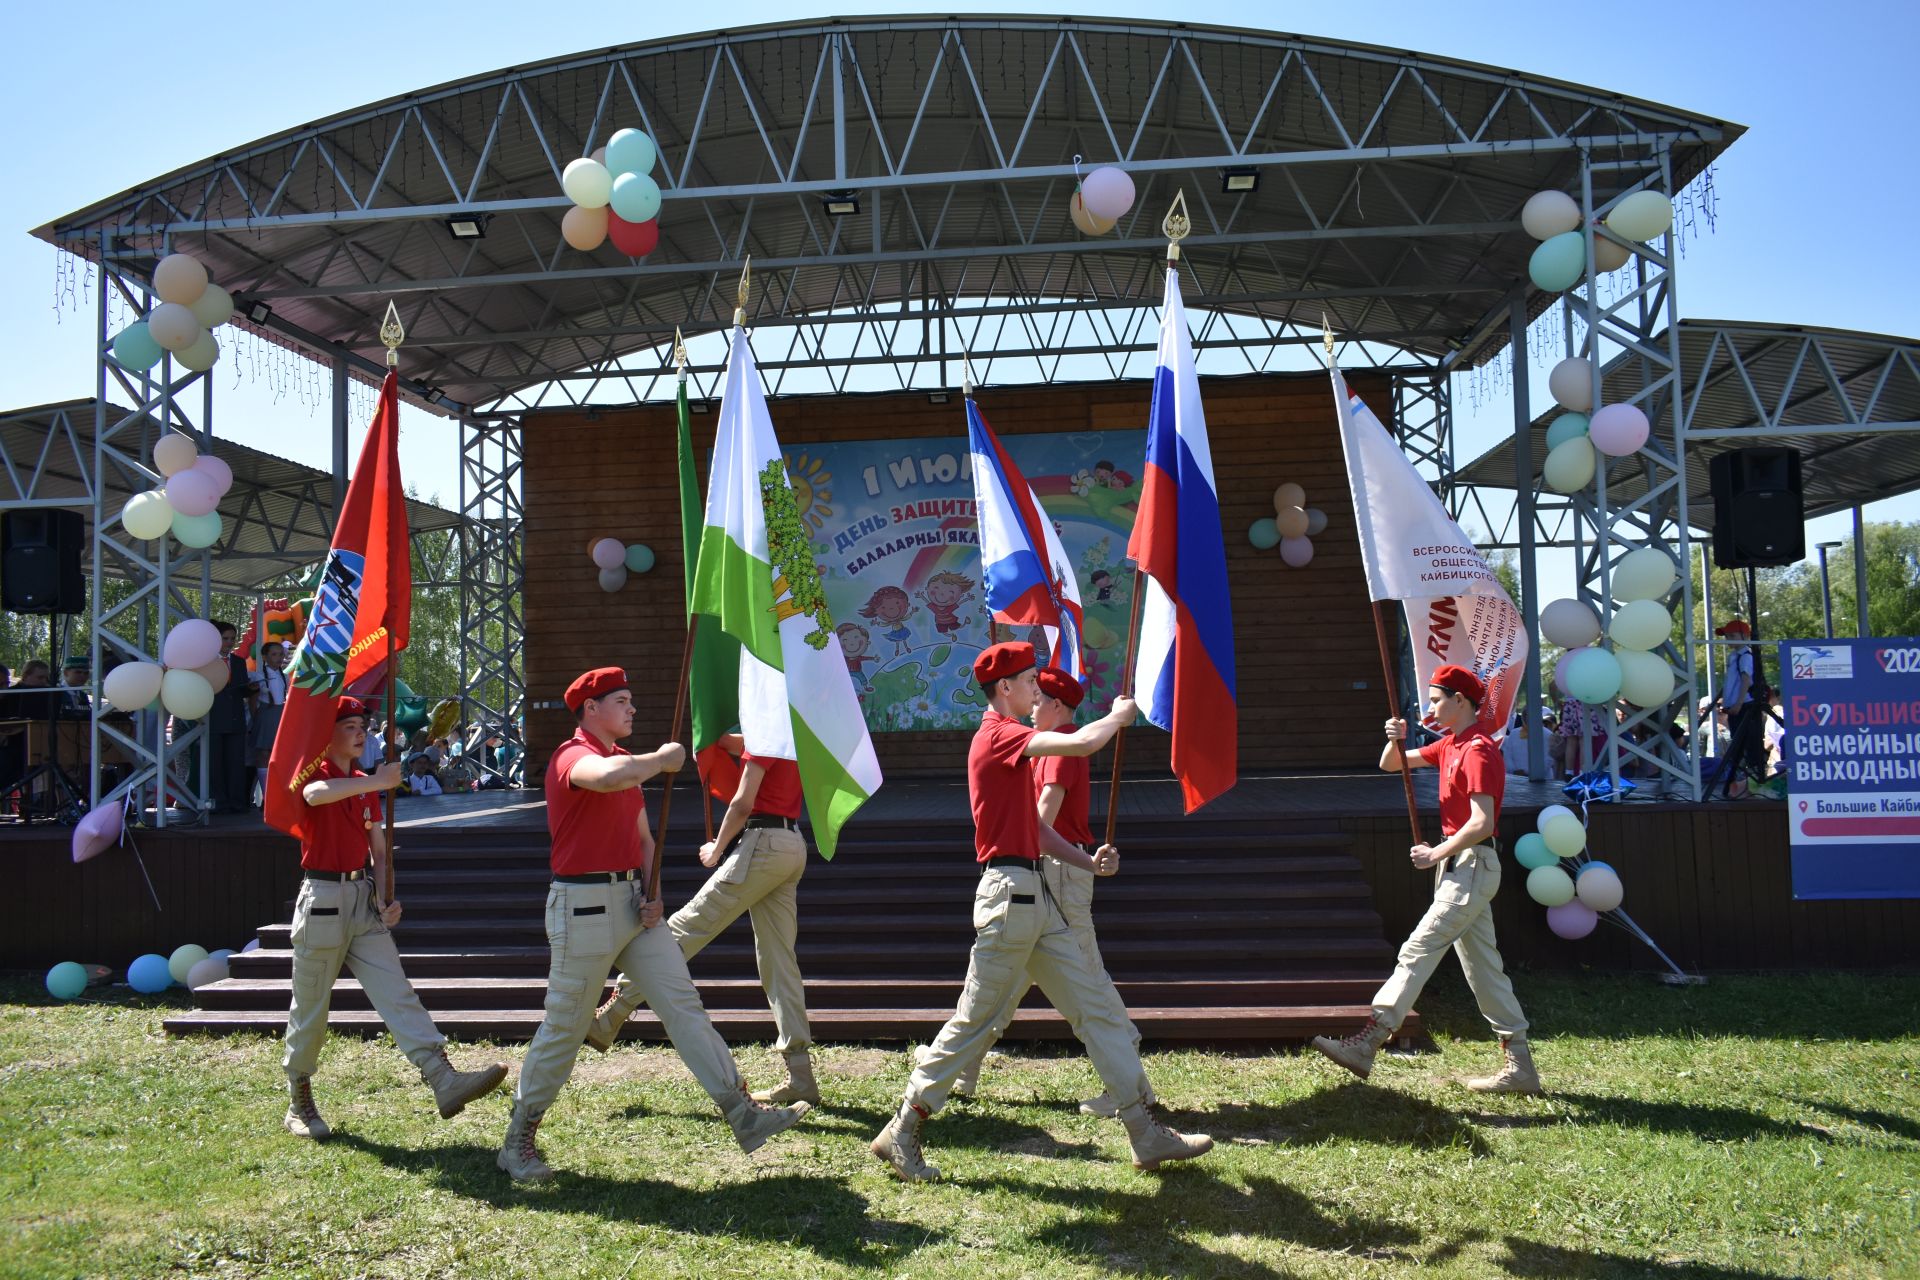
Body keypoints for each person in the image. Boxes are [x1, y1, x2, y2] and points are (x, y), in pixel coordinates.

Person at [870, 642, 1211, 1182]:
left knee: (1094, 1010)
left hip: (1032, 894)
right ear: (1004, 688)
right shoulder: (999, 733)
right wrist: (1118, 718)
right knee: (974, 1019)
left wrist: (1087, 863)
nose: (1036, 690)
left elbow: (1039, 830)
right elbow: (1078, 745)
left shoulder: (1006, 735)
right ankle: (903, 1130)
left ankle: (1144, 1133)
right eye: (1029, 680)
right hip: (1011, 896)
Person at [497, 667, 809, 1183]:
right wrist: (662, 761)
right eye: (621, 700)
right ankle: (518, 1141)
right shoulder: (573, 756)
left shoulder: (624, 762)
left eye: (632, 699)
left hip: (631, 906)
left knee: (683, 1003)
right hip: (582, 908)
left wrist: (654, 891)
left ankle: (743, 1112)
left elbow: (643, 840)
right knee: (565, 1027)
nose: (632, 708)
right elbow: (607, 779)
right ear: (590, 709)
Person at [280, 696, 508, 1140]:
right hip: (323, 897)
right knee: (310, 1009)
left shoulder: (367, 784)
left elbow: (380, 852)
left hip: (362, 898)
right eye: (348, 726)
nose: (360, 731)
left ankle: (443, 1079)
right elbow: (313, 795)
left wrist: (387, 898)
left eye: (362, 724)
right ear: (327, 736)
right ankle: (299, 1099)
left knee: (398, 993)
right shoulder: (319, 774)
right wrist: (374, 783)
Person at [1310, 665, 1540, 1094]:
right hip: (1460, 868)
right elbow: (1391, 764)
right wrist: (1393, 735)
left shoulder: (1478, 750)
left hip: (1470, 865)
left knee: (1418, 948)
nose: (1431, 707)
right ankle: (1521, 1067)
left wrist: (1436, 851)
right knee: (1484, 970)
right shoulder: (1450, 745)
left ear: (1460, 701)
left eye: (1437, 699)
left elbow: (1483, 821)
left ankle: (1370, 1040)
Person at [941, 665, 1156, 1117]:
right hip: (1042, 874)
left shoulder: (1056, 750)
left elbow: (1041, 820)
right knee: (1010, 981)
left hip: (1052, 872)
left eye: (1039, 700)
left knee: (1083, 976)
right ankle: (964, 1067)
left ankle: (1129, 1073)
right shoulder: (1030, 745)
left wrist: (1118, 718)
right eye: (1030, 694)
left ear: (1057, 706)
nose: (1033, 705)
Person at [584, 731, 820, 1103]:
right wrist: (719, 736)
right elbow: (741, 744)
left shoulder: (765, 734)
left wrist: (717, 848)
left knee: (686, 926)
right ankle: (800, 1074)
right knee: (779, 963)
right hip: (791, 845)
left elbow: (743, 802)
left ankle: (612, 1014)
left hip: (763, 843)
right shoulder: (783, 732)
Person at [1713, 618, 1766, 797]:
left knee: (1747, 746)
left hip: (1745, 707)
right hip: (1737, 707)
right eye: (1727, 636)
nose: (1728, 639)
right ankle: (1742, 783)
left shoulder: (1745, 656)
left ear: (1744, 636)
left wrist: (1738, 703)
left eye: (1732, 635)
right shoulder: (1735, 656)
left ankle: (1752, 783)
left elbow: (1746, 680)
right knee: (1738, 746)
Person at [208, 623, 251, 814]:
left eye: (232, 639)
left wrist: (250, 690)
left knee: (236, 762)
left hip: (235, 719)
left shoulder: (239, 661)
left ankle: (237, 801)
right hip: (214, 718)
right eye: (225, 639)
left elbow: (242, 688)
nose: (230, 643)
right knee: (215, 763)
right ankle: (218, 801)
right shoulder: (206, 662)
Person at [249, 642, 289, 806]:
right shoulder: (257, 675)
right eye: (274, 654)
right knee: (263, 754)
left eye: (280, 654)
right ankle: (267, 796)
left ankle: (277, 794)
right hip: (265, 714)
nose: (279, 658)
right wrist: (255, 719)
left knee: (278, 755)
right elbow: (252, 700)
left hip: (280, 713)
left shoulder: (285, 675)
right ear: (265, 657)